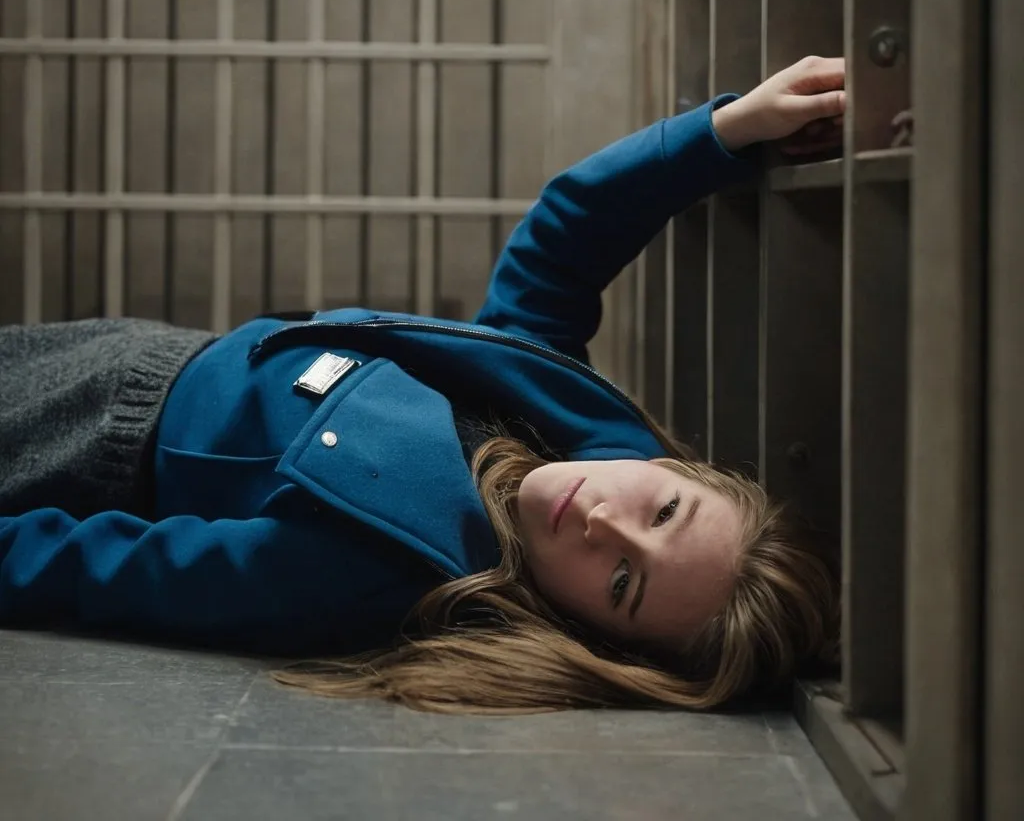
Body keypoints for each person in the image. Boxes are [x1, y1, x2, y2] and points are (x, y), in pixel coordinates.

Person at [0, 56, 845, 714]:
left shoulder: (385, 573)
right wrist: (725, 134)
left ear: (588, 633)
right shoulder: (567, 426)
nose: (602, 522)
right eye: (663, 513)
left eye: (623, 583)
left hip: (87, 444)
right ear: (677, 471)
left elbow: (108, 571)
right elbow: (563, 244)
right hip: (141, 352)